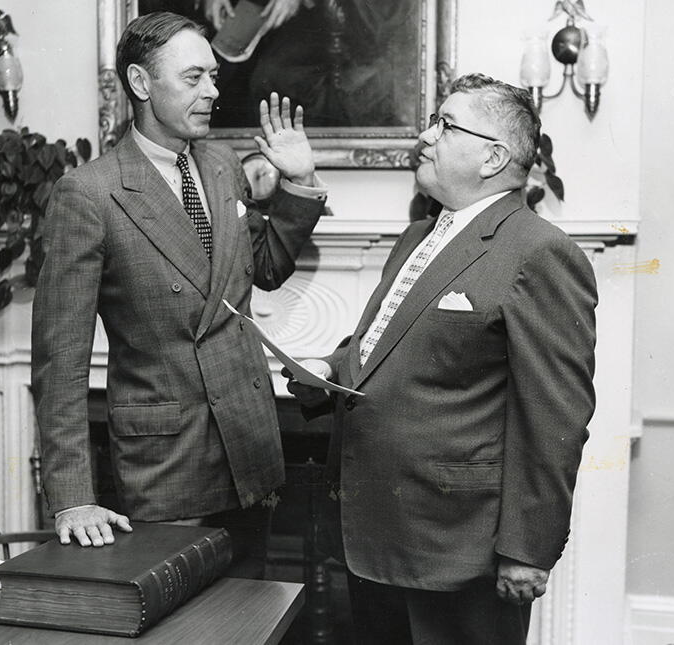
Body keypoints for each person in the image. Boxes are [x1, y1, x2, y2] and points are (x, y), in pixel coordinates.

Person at [286, 73, 597, 644]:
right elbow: (383, 341)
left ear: (493, 156)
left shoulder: (540, 253)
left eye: (445, 124)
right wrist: (331, 370)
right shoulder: (416, 236)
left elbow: (556, 418)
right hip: (374, 535)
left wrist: (527, 551)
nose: (425, 136)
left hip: (457, 548)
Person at [31, 11, 326, 578]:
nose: (214, 91)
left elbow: (262, 270)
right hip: (166, 465)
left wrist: (300, 183)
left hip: (250, 450)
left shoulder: (220, 167)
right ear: (142, 84)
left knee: (251, 624)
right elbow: (59, 361)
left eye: (213, 77)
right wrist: (71, 495)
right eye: (194, 79)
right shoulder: (89, 194)